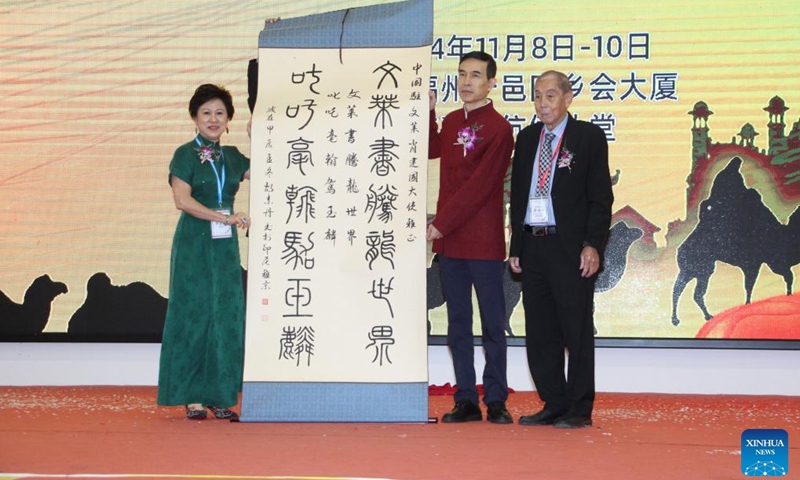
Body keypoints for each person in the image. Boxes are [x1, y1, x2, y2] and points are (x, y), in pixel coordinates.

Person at [508, 70, 614, 429]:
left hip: (570, 248)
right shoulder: (525, 139)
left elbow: (601, 198)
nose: (542, 103)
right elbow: (519, 197)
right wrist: (516, 245)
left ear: (568, 98)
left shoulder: (587, 137)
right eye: (537, 96)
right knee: (539, 330)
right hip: (534, 245)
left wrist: (592, 245)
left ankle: (579, 408)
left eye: (550, 95)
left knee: (576, 330)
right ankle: (553, 402)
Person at [428, 51, 514, 424]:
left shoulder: (499, 127)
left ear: (491, 82)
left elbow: (480, 187)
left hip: (482, 239)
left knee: (493, 323)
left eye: (476, 75)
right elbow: (431, 150)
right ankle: (465, 399)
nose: (466, 81)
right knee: (458, 322)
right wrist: (428, 112)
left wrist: (440, 223)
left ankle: (495, 399)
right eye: (462, 74)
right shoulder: (450, 121)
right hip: (451, 243)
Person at [157, 84, 251, 420]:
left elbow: (273, 172)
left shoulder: (234, 156)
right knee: (193, 314)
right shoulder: (184, 154)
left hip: (225, 247)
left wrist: (265, 131)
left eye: (220, 113)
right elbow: (182, 201)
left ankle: (220, 394)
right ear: (194, 117)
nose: (213, 119)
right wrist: (224, 217)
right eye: (206, 113)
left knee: (225, 317)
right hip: (195, 243)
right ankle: (192, 395)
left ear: (229, 120)